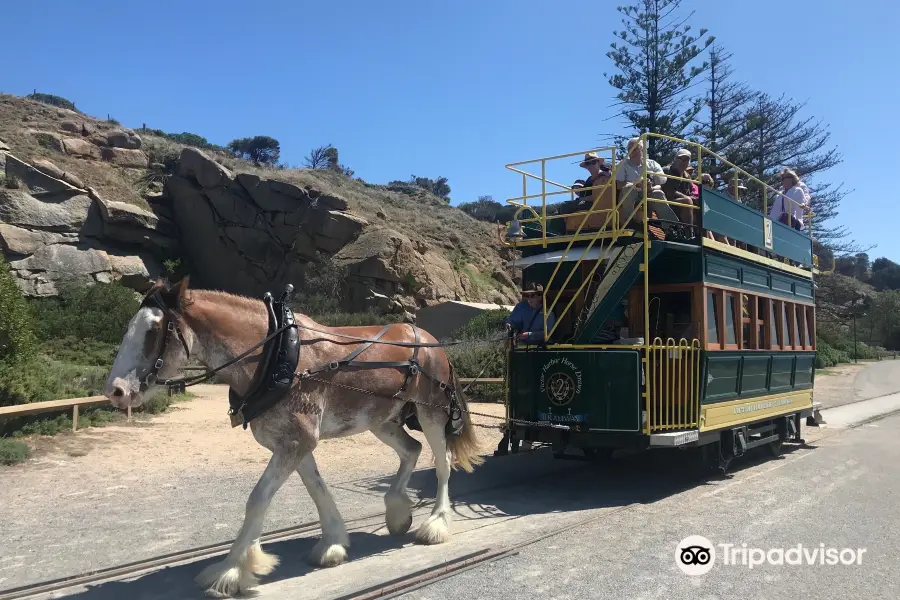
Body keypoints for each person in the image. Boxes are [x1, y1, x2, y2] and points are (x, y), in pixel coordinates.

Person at [615, 137, 670, 235]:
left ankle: (670, 228)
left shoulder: (652, 164)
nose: (632, 151)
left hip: (648, 193)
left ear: (643, 149)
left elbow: (661, 184)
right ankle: (629, 223)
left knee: (659, 192)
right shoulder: (623, 164)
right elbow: (619, 185)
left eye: (636, 148)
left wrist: (651, 187)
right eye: (630, 149)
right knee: (629, 189)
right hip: (630, 194)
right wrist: (636, 183)